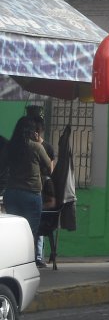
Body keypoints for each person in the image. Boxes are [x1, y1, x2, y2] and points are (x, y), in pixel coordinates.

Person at [0, 116, 52, 268]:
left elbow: (2, 167)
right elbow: (50, 167)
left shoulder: (10, 147)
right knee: (30, 232)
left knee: (14, 232)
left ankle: (12, 263)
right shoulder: (35, 147)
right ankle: (28, 265)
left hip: (12, 193)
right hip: (31, 194)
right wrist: (40, 142)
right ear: (32, 131)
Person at [27, 107, 56, 267]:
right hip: (30, 186)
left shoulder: (47, 147)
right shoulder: (25, 145)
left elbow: (50, 169)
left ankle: (38, 256)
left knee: (37, 223)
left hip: (42, 187)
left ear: (41, 130)